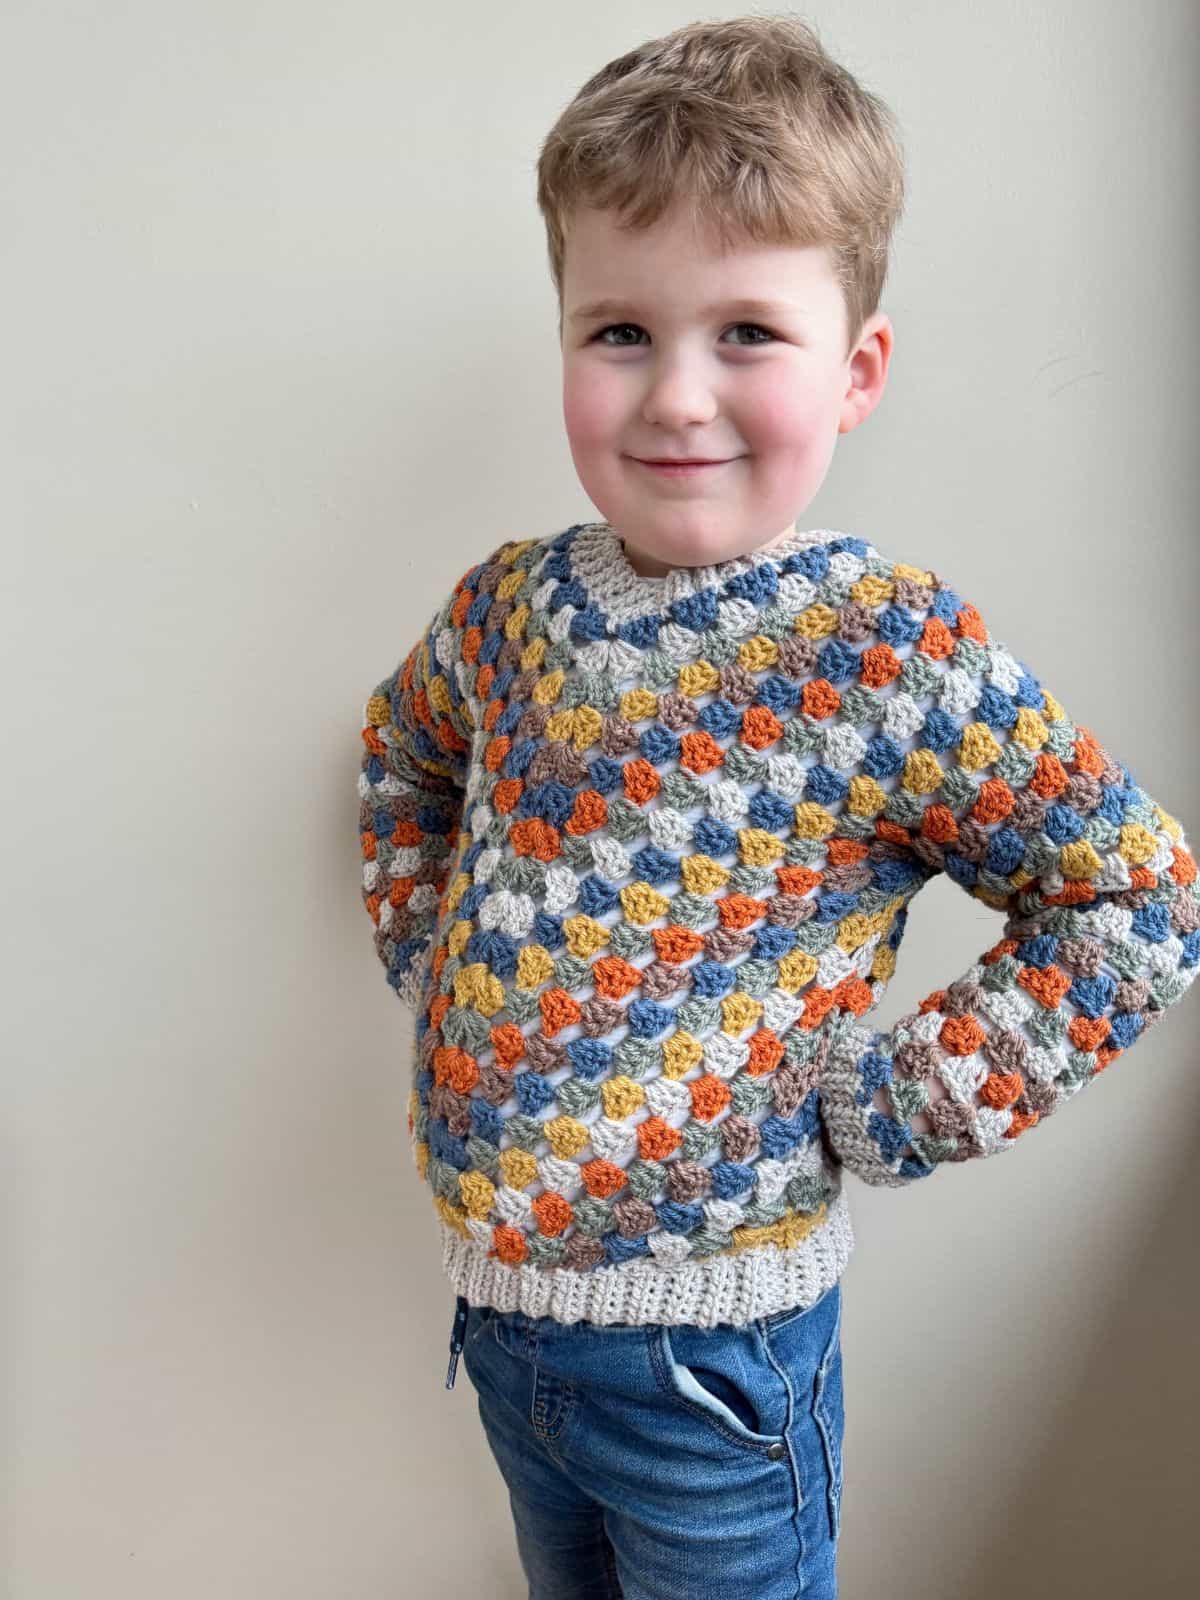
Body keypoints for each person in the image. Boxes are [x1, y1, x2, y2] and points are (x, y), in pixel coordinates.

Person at [356, 15, 1200, 1598]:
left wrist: (895, 1104)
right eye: (620, 331)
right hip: (500, 1332)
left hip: (715, 1377)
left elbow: (1136, 898)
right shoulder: (508, 611)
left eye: (747, 330)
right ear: (562, 340)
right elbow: (402, 754)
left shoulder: (880, 653)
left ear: (855, 367)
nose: (679, 396)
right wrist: (436, 962)